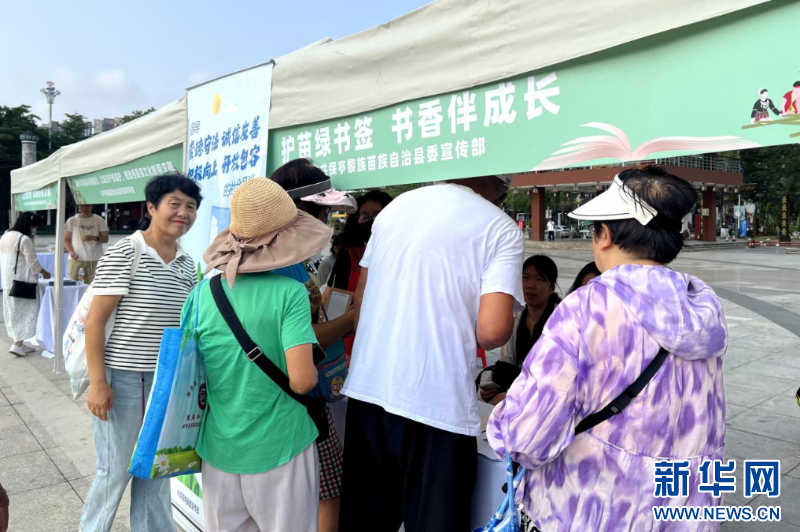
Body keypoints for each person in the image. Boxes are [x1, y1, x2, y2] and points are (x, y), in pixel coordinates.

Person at [487, 165, 728, 531]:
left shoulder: (586, 308)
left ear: (605, 235)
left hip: (593, 511)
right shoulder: (703, 306)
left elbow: (527, 438)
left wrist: (501, 419)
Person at [338, 175, 525, 531]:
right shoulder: (500, 227)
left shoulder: (396, 208)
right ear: (499, 187)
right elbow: (492, 332)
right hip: (436, 407)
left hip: (368, 391)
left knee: (364, 522)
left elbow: (361, 298)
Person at [197, 177, 332, 531]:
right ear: (287, 239)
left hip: (219, 448)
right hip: (282, 446)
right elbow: (302, 382)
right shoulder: (290, 294)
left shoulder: (202, 294)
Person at [80, 174, 202, 532]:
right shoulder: (126, 251)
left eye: (191, 206)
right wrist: (98, 383)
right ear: (151, 207)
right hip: (123, 379)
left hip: (167, 382)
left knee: (156, 469)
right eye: (174, 204)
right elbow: (94, 322)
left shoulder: (187, 263)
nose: (183, 213)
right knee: (114, 470)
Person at [270, 158, 357, 532]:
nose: (326, 223)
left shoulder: (282, 261)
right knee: (327, 493)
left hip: (276, 402)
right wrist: (352, 319)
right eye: (322, 213)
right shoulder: (285, 267)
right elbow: (304, 343)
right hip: (298, 404)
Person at [479, 255, 561, 405]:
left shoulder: (561, 320)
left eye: (539, 279)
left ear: (552, 288)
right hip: (519, 391)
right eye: (525, 278)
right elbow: (505, 364)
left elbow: (557, 374)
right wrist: (492, 388)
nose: (530, 285)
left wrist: (513, 395)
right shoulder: (515, 316)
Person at [1, 213, 51, 357]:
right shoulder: (24, 239)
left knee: (13, 313)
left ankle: (20, 343)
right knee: (24, 313)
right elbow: (33, 262)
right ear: (29, 225)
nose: (35, 229)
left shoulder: (5, 236)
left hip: (8, 281)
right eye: (34, 226)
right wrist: (45, 273)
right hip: (23, 281)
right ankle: (17, 344)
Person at [326, 190, 393, 292]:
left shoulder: (400, 254)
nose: (371, 221)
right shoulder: (349, 256)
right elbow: (338, 295)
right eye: (364, 216)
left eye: (377, 216)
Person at [65, 204, 110, 285]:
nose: (85, 208)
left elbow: (105, 239)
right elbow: (66, 239)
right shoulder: (72, 220)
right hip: (76, 260)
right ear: (79, 207)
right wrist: (71, 251)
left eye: (88, 206)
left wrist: (94, 238)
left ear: (92, 206)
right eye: (83, 206)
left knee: (95, 286)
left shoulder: (99, 220)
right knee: (74, 285)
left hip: (95, 259)